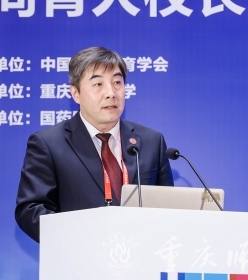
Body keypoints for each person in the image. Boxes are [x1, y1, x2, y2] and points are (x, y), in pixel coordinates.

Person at [15, 47, 174, 242]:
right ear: (75, 93)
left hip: (141, 254)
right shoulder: (49, 144)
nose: (111, 93)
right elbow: (30, 210)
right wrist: (83, 238)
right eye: (98, 84)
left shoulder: (151, 141)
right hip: (79, 255)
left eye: (117, 83)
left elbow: (169, 208)